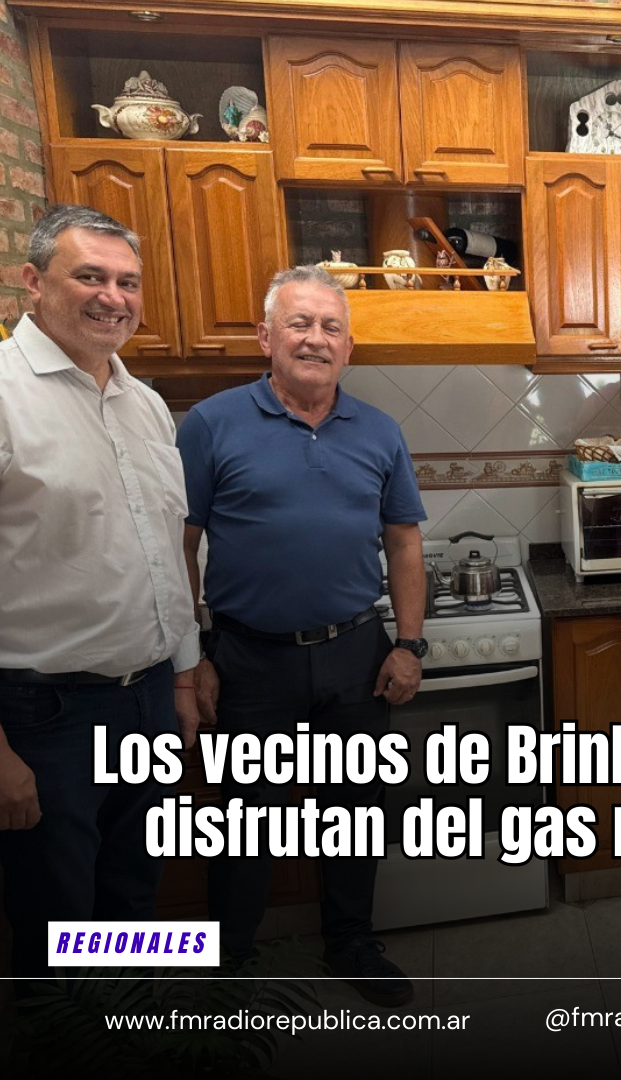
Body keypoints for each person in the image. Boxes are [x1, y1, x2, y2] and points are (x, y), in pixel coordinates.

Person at [0, 204, 201, 983]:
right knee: (57, 922)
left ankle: (127, 1032)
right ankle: (74, 1039)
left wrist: (182, 678)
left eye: (128, 281)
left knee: (134, 896)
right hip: (45, 715)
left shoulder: (142, 403)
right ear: (34, 281)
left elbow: (164, 549)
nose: (113, 297)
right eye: (90, 276)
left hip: (146, 697)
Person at [177, 265, 426, 1007]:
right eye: (299, 323)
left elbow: (404, 542)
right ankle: (230, 965)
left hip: (356, 653)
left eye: (331, 328)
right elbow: (178, 545)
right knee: (244, 823)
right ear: (266, 337)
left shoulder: (379, 430)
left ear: (349, 347)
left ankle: (351, 942)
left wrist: (408, 644)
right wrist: (193, 654)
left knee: (356, 814)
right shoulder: (211, 423)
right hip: (249, 658)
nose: (316, 339)